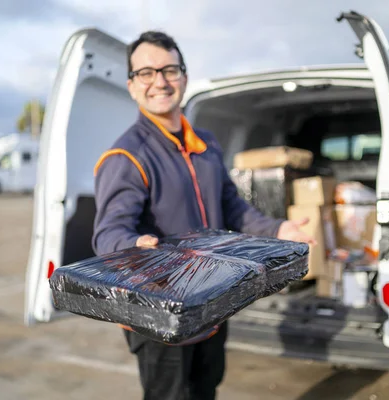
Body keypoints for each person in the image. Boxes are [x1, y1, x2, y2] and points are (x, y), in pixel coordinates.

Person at [92, 31, 315, 400]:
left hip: (211, 301)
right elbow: (108, 233)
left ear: (184, 77)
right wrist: (133, 246)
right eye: (146, 73)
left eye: (169, 70)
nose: (160, 82)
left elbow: (232, 207)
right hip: (159, 313)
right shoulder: (127, 157)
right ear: (132, 86)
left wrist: (278, 228)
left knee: (207, 388)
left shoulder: (206, 145)